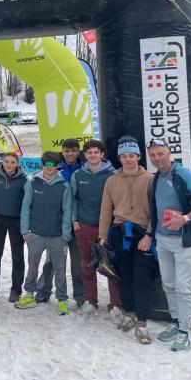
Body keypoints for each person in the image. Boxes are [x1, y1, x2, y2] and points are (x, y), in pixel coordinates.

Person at [148, 139, 191, 352]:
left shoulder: (184, 174)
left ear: (169, 154)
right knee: (168, 284)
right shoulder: (157, 177)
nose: (157, 158)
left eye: (160, 154)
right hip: (163, 239)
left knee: (184, 287)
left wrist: (185, 218)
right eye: (153, 155)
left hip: (184, 241)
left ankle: (184, 332)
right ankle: (176, 322)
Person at [98, 136, 155, 344]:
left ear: (138, 156)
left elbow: (156, 210)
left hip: (142, 233)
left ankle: (142, 320)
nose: (128, 159)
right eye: (124, 156)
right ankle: (129, 313)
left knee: (142, 277)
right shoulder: (112, 181)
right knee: (124, 276)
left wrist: (149, 234)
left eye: (131, 155)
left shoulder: (150, 179)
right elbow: (106, 209)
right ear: (119, 158)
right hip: (119, 232)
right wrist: (103, 236)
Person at [16, 151, 73, 316]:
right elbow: (26, 206)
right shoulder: (33, 182)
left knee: (60, 269)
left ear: (57, 166)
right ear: (42, 165)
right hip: (36, 234)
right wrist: (25, 230)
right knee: (32, 266)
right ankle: (29, 294)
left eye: (52, 165)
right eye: (46, 164)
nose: (49, 168)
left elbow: (67, 210)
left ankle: (62, 300)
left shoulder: (64, 185)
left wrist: (66, 235)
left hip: (57, 236)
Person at [70, 139, 120, 315]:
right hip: (84, 224)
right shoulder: (78, 175)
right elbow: (73, 199)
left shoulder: (113, 175)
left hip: (108, 226)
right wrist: (74, 219)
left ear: (102, 154)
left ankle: (116, 304)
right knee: (86, 263)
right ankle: (90, 300)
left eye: (96, 152)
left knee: (111, 264)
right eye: (89, 152)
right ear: (85, 155)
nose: (93, 155)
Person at [37, 138, 85, 305]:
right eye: (67, 151)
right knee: (52, 260)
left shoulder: (84, 168)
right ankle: (43, 290)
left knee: (78, 262)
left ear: (78, 152)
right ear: (62, 152)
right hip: (57, 222)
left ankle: (80, 295)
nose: (70, 154)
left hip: (77, 222)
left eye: (73, 150)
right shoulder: (55, 167)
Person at [0, 152, 27, 302]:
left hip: (16, 221)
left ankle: (16, 289)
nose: (9, 164)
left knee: (17, 256)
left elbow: (28, 202)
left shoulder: (24, 180)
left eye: (12, 162)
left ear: (17, 164)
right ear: (2, 163)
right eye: (7, 161)